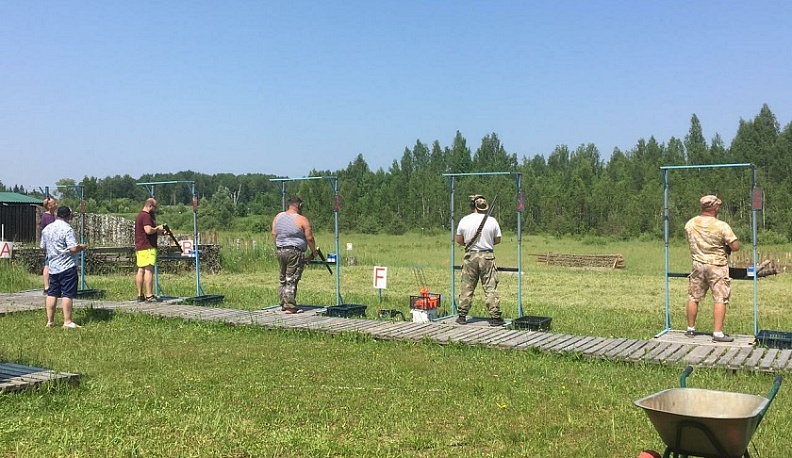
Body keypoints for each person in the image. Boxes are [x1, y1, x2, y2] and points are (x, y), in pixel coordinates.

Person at [685, 195, 740, 343]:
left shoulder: (691, 223)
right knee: (720, 298)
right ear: (714, 207)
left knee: (693, 297)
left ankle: (690, 329)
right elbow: (735, 247)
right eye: (718, 206)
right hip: (717, 265)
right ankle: (718, 333)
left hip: (698, 264)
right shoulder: (721, 226)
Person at [455, 194, 504, 326]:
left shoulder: (464, 220)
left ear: (472, 206)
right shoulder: (492, 221)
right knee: (490, 287)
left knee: (467, 286)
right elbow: (497, 240)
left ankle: (462, 316)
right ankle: (495, 317)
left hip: (470, 256)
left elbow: (459, 240)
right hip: (487, 256)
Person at [40, 206, 87, 328]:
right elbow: (72, 248)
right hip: (67, 266)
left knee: (52, 293)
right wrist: (81, 247)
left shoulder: (47, 229)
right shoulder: (67, 229)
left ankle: (50, 321)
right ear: (68, 216)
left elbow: (43, 246)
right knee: (67, 294)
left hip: (53, 266)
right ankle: (67, 321)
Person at [271, 196, 318, 314]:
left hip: (280, 250)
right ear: (299, 206)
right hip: (294, 251)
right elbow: (310, 238)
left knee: (283, 278)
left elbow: (274, 233)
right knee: (292, 278)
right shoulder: (302, 220)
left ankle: (283, 303)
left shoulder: (278, 217)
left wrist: (279, 246)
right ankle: (290, 307)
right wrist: (314, 252)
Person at [135, 198, 166, 302]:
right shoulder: (146, 216)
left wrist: (161, 232)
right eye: (155, 207)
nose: (155, 210)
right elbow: (148, 230)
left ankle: (140, 295)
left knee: (141, 270)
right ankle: (149, 295)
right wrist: (158, 228)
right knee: (149, 270)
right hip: (148, 247)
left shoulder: (139, 216)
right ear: (150, 206)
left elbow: (147, 231)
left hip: (140, 246)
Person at [40, 197, 57, 294]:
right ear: (49, 206)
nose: (55, 205)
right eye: (54, 203)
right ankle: (46, 286)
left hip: (53, 243)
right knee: (47, 264)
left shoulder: (52, 215)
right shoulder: (46, 217)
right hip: (50, 243)